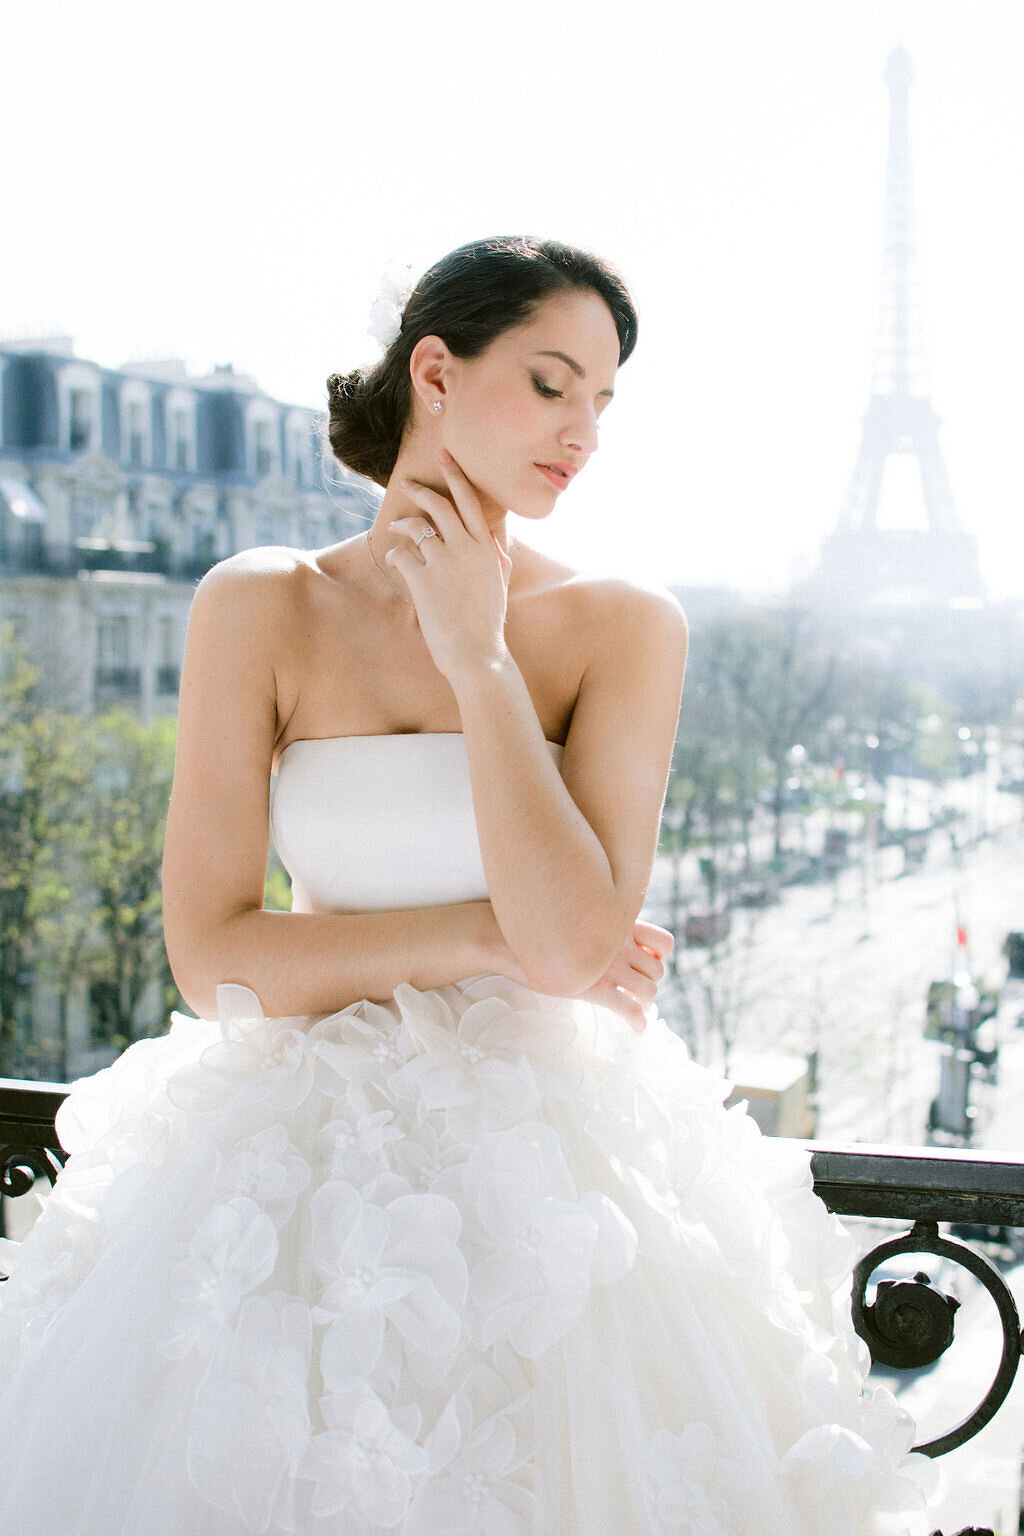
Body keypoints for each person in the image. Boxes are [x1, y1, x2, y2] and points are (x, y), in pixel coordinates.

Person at [0, 236, 932, 1534]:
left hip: (555, 1196)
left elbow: (562, 952)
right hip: (293, 1172)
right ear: (436, 370)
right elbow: (214, 959)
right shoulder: (261, 604)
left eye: (604, 400)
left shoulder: (621, 624)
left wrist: (480, 660)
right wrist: (496, 937)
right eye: (552, 384)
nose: (583, 432)